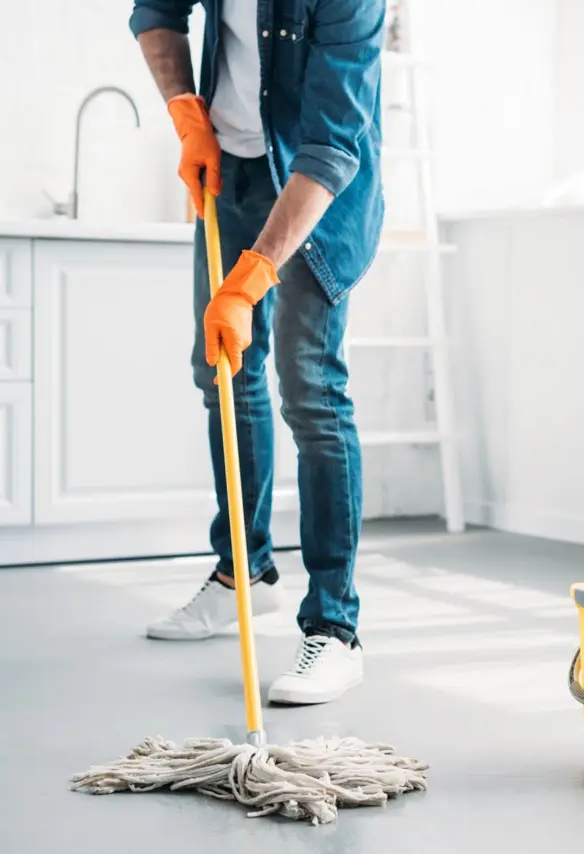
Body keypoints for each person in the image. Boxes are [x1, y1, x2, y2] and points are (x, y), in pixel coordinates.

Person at [128, 0, 385, 705]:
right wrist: (187, 112)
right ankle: (243, 573)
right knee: (222, 372)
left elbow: (333, 146)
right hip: (232, 174)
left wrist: (253, 277)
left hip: (316, 192)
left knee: (311, 390)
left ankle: (335, 630)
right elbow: (155, 11)